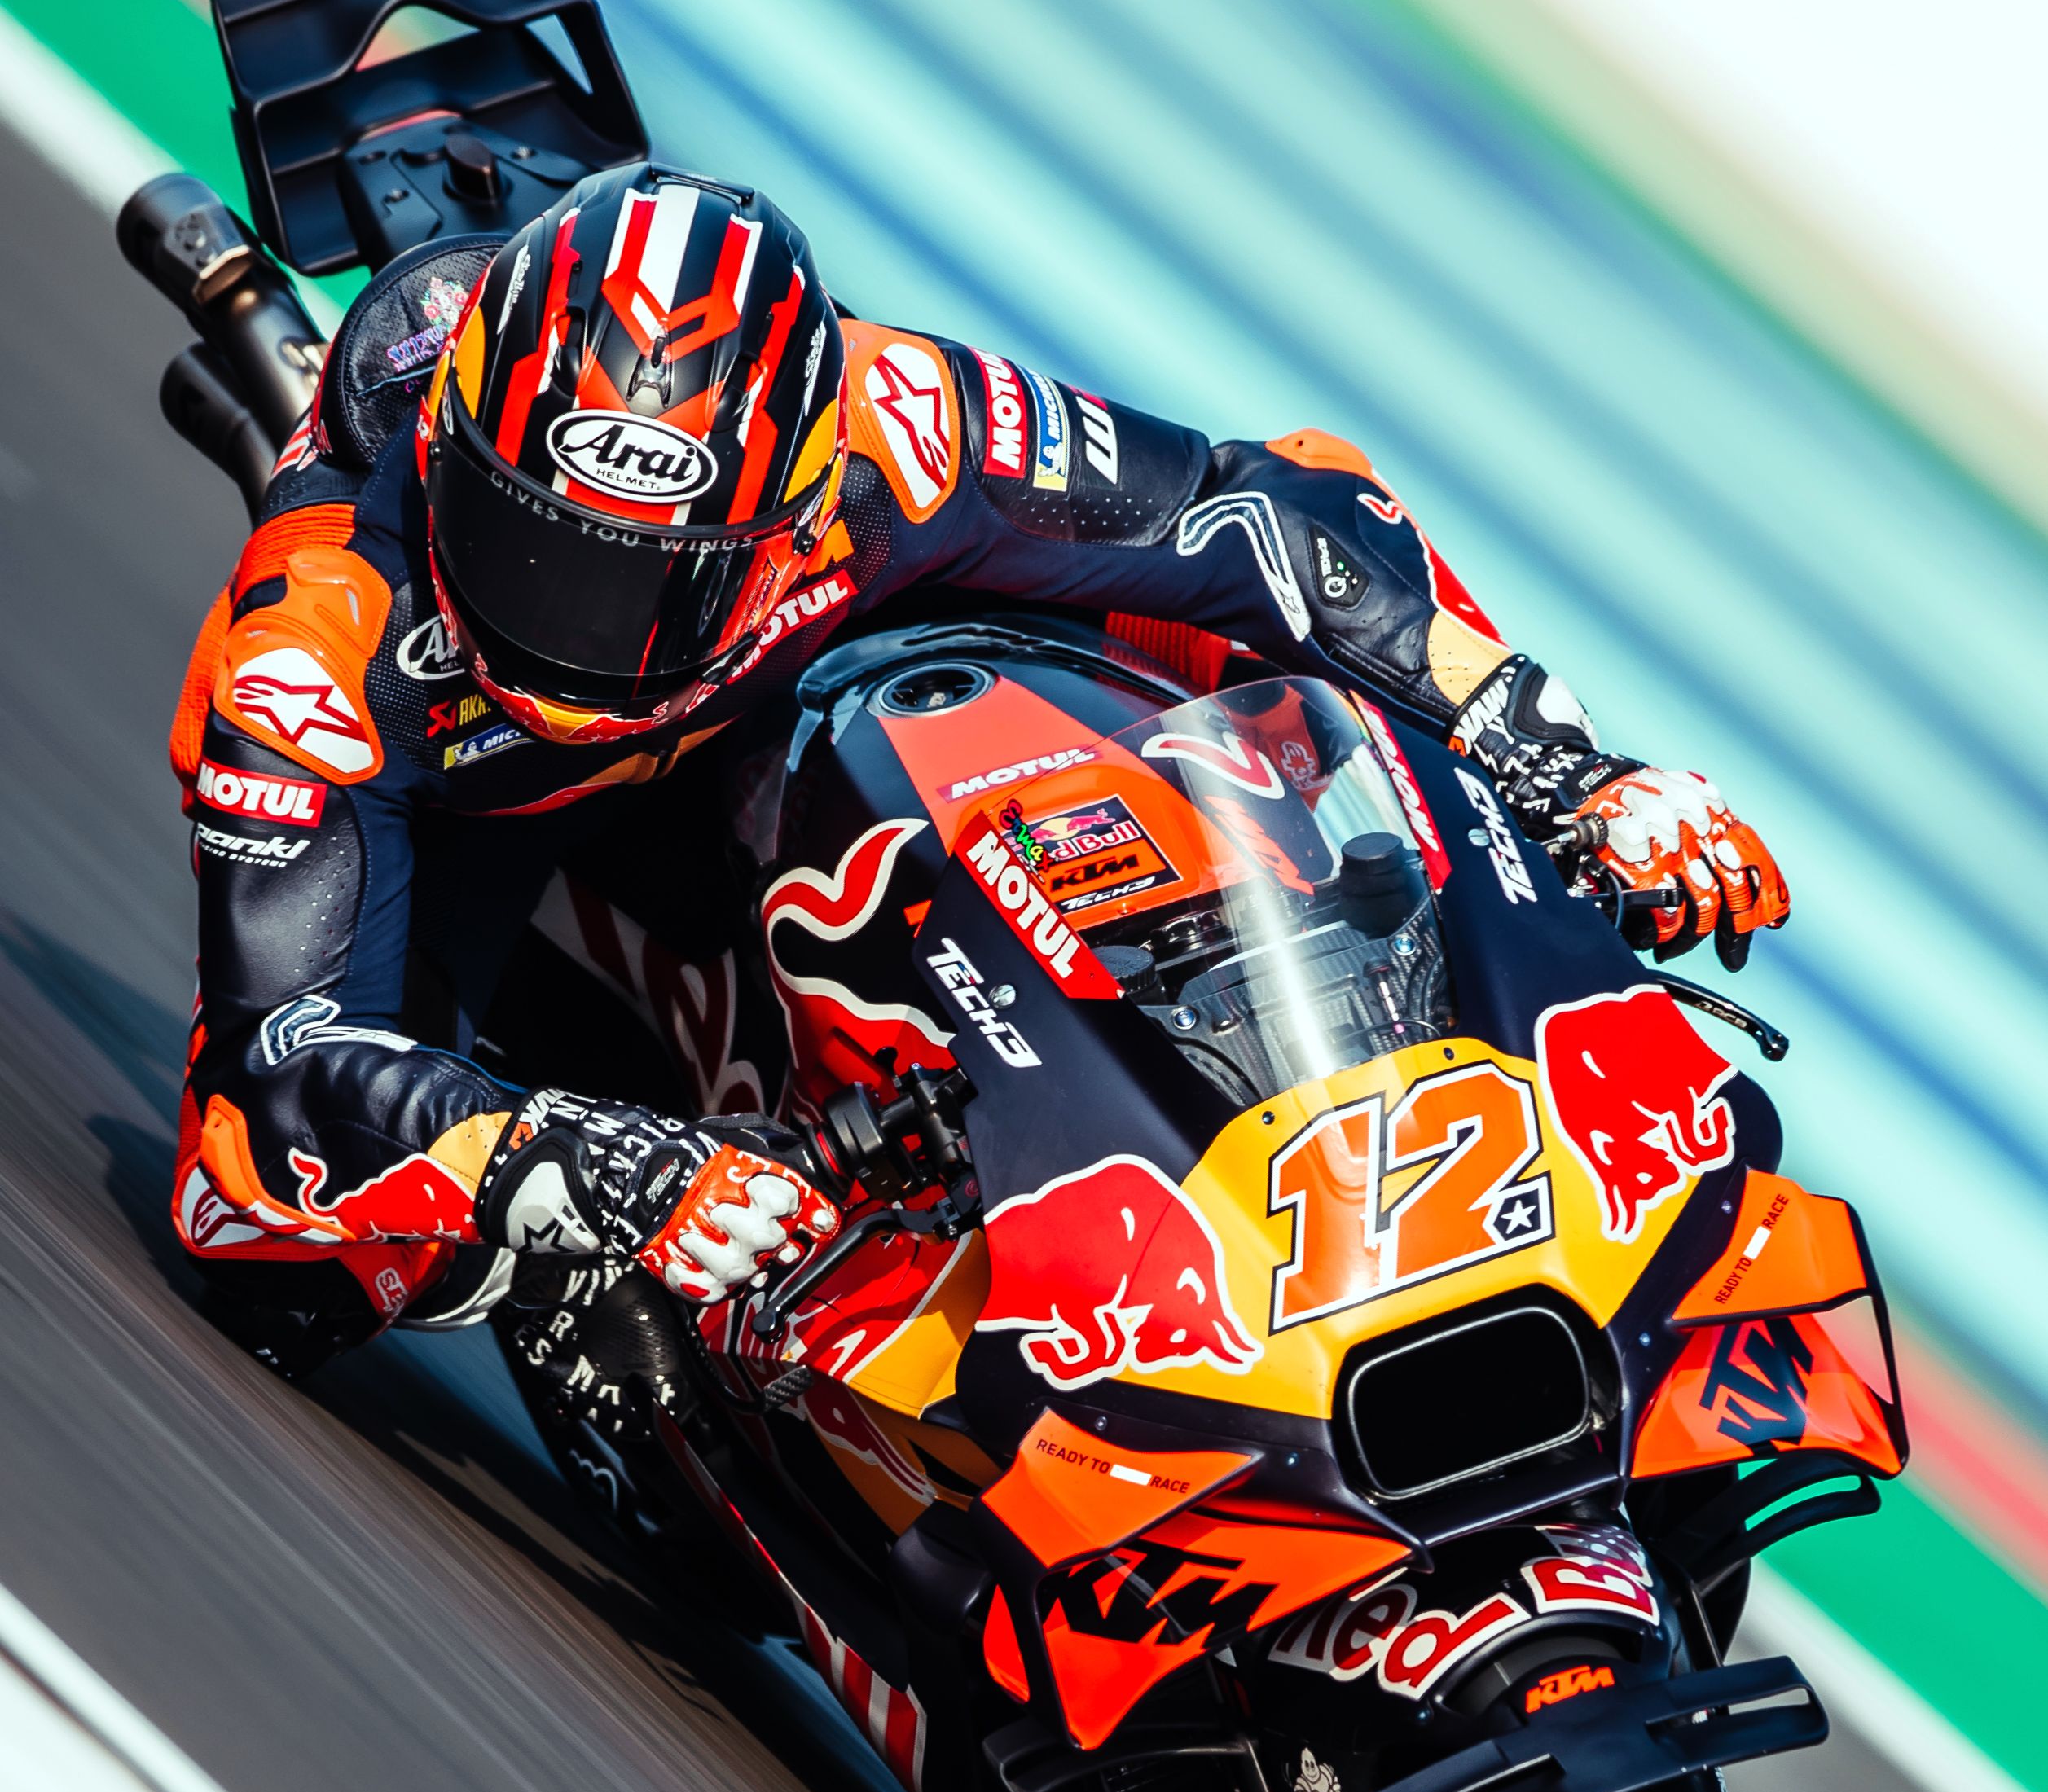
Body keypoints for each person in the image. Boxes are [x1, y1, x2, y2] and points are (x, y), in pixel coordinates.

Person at [169, 161, 1787, 1522]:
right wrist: (568, 1162)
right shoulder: (312, 641)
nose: (584, 626)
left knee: (1245, 624)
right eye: (542, 549)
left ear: (792, 491)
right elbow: (279, 1069)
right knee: (281, 1255)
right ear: (454, 456)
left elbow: (1271, 517)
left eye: (654, 574)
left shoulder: (906, 424)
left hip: (836, 684)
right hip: (478, 797)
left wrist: (1571, 768)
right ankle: (643, 1251)